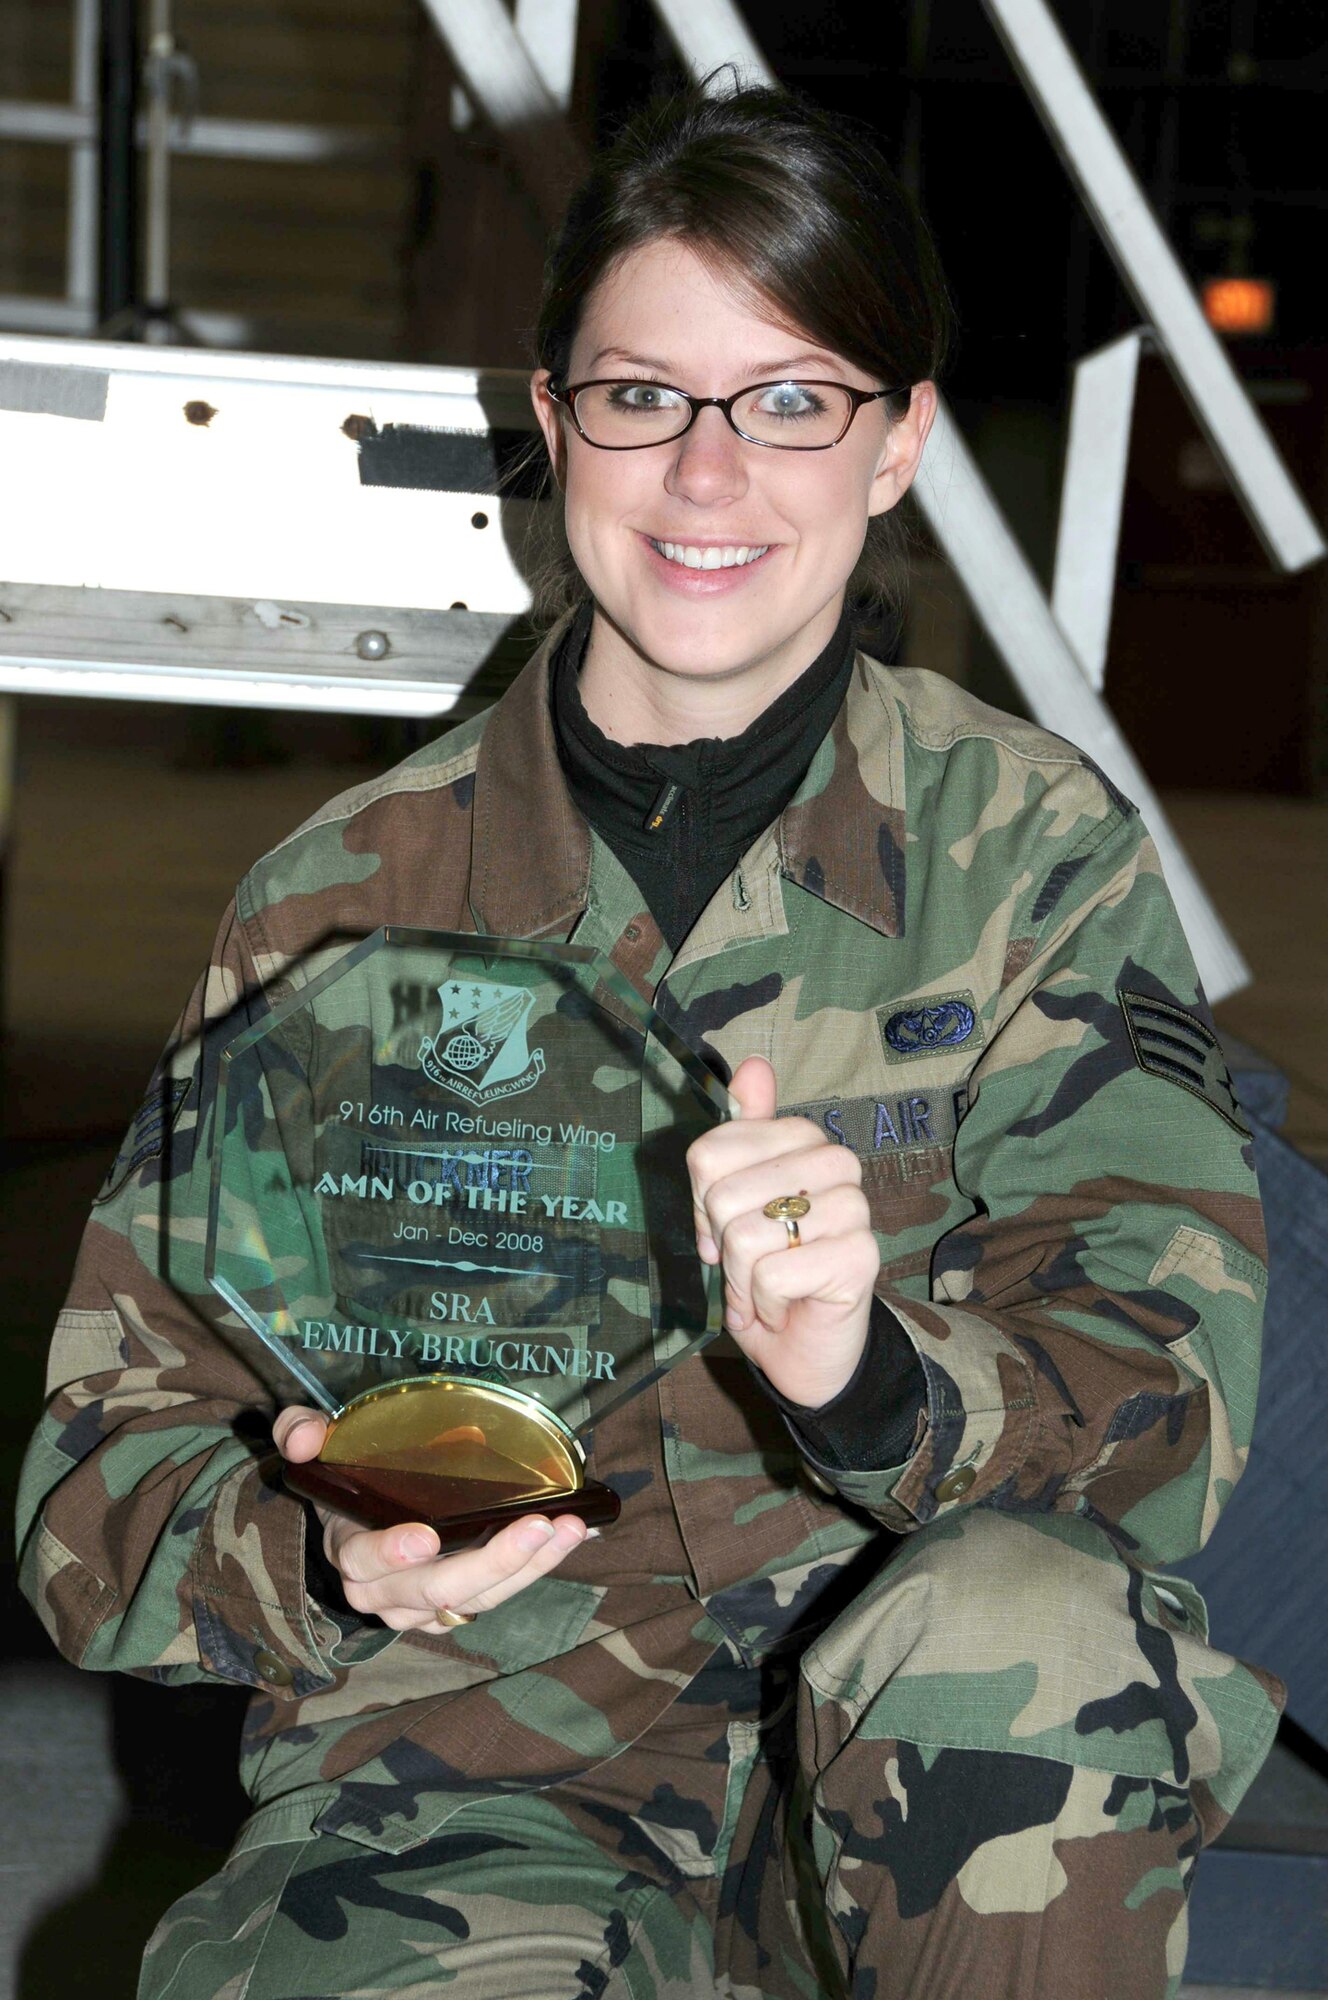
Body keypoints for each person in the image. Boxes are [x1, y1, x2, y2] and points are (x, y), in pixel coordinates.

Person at [18, 81, 1281, 2000]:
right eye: (642, 398)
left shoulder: (1026, 853)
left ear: (898, 445)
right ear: (553, 422)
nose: (708, 477)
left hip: (918, 1784)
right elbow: (88, 1487)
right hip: (465, 1789)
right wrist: (325, 1549)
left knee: (1030, 1620)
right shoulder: (342, 902)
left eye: (792, 400)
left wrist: (872, 1379)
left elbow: (1176, 1409)